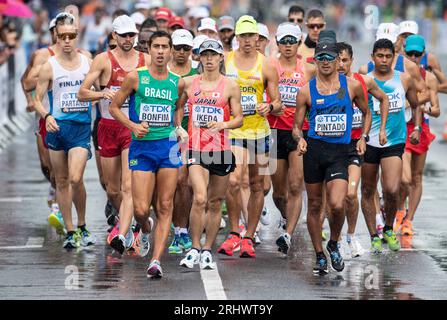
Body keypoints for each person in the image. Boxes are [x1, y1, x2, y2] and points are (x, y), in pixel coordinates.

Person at [109, 31, 186, 278]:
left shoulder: (177, 81)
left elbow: (179, 107)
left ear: (171, 50)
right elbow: (113, 107)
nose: (161, 51)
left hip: (168, 149)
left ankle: (155, 261)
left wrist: (178, 126)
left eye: (165, 46)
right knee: (142, 208)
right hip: (142, 148)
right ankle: (144, 226)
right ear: (149, 50)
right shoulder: (135, 78)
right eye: (157, 46)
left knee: (165, 205)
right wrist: (133, 126)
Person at [292, 41, 372, 275]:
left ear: (338, 61)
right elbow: (297, 127)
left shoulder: (352, 86)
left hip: (340, 153)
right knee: (316, 205)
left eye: (330, 57)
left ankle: (334, 243)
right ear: (315, 60)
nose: (326, 61)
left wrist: (363, 137)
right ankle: (319, 255)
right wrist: (300, 139)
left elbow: (367, 113)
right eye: (321, 57)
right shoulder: (306, 91)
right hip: (314, 152)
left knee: (337, 204)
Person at [78, 15, 150, 255]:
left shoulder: (145, 60)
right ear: (115, 36)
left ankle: (125, 231)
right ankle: (127, 223)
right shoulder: (103, 60)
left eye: (132, 35)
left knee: (129, 186)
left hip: (133, 128)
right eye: (124, 35)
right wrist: (103, 94)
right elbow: (82, 93)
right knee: (112, 189)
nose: (128, 39)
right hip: (108, 127)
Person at [218, 15, 282, 258]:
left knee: (258, 185)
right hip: (234, 130)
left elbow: (277, 103)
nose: (246, 40)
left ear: (258, 37)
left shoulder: (266, 65)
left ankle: (248, 236)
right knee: (233, 181)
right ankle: (234, 231)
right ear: (237, 37)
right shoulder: (226, 61)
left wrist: (270, 106)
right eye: (242, 35)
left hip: (260, 132)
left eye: (250, 36)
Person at [178, 39, 243, 269]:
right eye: (204, 54)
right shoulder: (188, 83)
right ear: (199, 58)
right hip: (197, 148)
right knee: (200, 197)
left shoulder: (230, 86)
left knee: (215, 202)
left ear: (220, 58)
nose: (208, 59)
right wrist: (179, 128)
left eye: (213, 55)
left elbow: (239, 118)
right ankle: (194, 247)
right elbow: (178, 107)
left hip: (221, 150)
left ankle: (207, 248)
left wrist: (223, 125)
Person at [33, 12, 96, 249]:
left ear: (77, 36)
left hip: (80, 128)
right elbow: (37, 99)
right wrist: (46, 115)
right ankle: (71, 231)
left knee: (75, 178)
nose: (67, 40)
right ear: (56, 37)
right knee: (60, 180)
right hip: (57, 128)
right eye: (63, 36)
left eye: (71, 36)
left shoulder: (87, 62)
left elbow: (101, 88)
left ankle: (82, 224)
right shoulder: (49, 66)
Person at [360, 39, 421, 254]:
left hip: (394, 142)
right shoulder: (365, 81)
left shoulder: (403, 79)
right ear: (373, 57)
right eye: (380, 56)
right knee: (367, 189)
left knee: (392, 190)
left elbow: (416, 104)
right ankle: (373, 235)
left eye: (388, 56)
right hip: (369, 142)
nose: (384, 60)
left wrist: (417, 127)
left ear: (393, 57)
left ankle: (387, 228)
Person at [336, 41, 390, 258]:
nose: (340, 64)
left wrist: (373, 132)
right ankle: (336, 238)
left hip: (353, 147)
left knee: (351, 194)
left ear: (351, 61)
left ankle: (351, 236)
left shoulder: (362, 82)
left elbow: (383, 99)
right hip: (330, 147)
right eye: (337, 60)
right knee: (333, 201)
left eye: (345, 60)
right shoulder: (324, 84)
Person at [267, 22, 315, 254]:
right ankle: (287, 216)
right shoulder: (270, 66)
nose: (287, 46)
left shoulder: (308, 69)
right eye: (283, 41)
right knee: (278, 192)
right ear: (277, 43)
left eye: (292, 41)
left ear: (298, 43)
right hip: (275, 132)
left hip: (299, 132)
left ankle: (288, 234)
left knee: (296, 185)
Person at [397, 35, 440, 236]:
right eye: (410, 53)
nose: (413, 57)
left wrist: (424, 108)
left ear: (423, 54)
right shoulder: (398, 72)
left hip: (421, 129)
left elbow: (437, 109)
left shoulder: (429, 77)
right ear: (404, 52)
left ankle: (408, 220)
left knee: (416, 177)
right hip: (402, 128)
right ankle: (398, 210)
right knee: (404, 179)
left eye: (417, 54)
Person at [168, 29, 198, 254]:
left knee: (184, 181)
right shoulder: (162, 70)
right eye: (177, 48)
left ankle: (181, 230)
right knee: (165, 186)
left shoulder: (198, 72)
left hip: (191, 134)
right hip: (162, 133)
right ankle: (167, 225)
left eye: (186, 49)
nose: (181, 52)